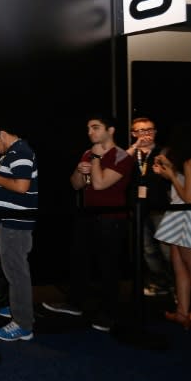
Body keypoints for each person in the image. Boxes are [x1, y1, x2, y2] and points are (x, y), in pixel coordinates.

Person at [43, 115, 134, 332]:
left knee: (108, 267)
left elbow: (101, 184)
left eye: (95, 127)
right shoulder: (88, 153)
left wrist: (94, 158)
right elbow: (76, 185)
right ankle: (75, 303)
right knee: (79, 259)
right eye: (88, 128)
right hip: (87, 215)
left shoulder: (121, 156)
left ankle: (109, 313)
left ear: (110, 130)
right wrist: (80, 170)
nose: (90, 132)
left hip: (111, 218)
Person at [0, 121, 38, 342]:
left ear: (2, 134)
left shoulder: (21, 151)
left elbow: (22, 187)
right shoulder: (13, 152)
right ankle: (17, 306)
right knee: (11, 268)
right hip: (7, 222)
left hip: (15, 224)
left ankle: (23, 324)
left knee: (16, 271)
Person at [153, 119, 191, 329]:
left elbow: (188, 198)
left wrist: (171, 175)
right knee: (180, 264)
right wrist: (172, 170)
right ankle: (183, 312)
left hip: (189, 215)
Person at [126, 117, 172, 296]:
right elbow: (117, 163)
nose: (146, 134)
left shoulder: (164, 152)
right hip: (138, 209)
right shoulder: (130, 153)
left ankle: (177, 284)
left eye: (149, 130)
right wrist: (134, 147)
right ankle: (161, 283)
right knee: (147, 250)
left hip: (161, 208)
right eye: (141, 131)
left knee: (167, 250)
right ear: (133, 134)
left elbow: (176, 176)